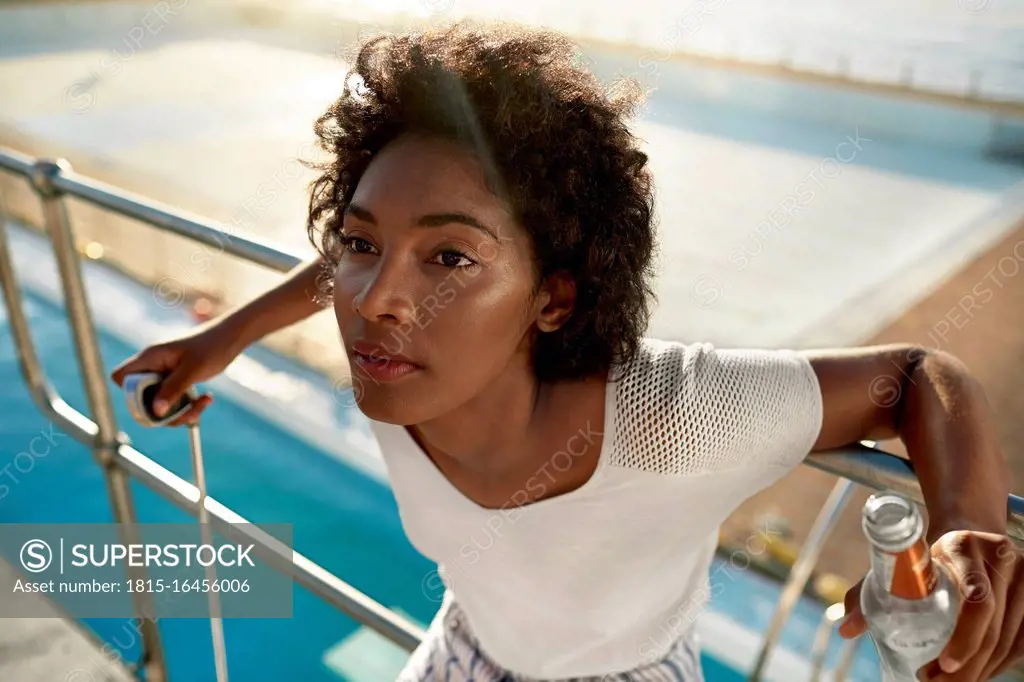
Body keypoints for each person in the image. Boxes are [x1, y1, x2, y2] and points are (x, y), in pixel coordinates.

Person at [112, 21, 1024, 682]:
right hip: (467, 648)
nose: (375, 300)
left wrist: (962, 536)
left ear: (555, 296)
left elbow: (916, 376)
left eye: (451, 256)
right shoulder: (393, 363)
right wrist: (220, 339)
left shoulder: (673, 418)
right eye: (361, 242)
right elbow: (338, 274)